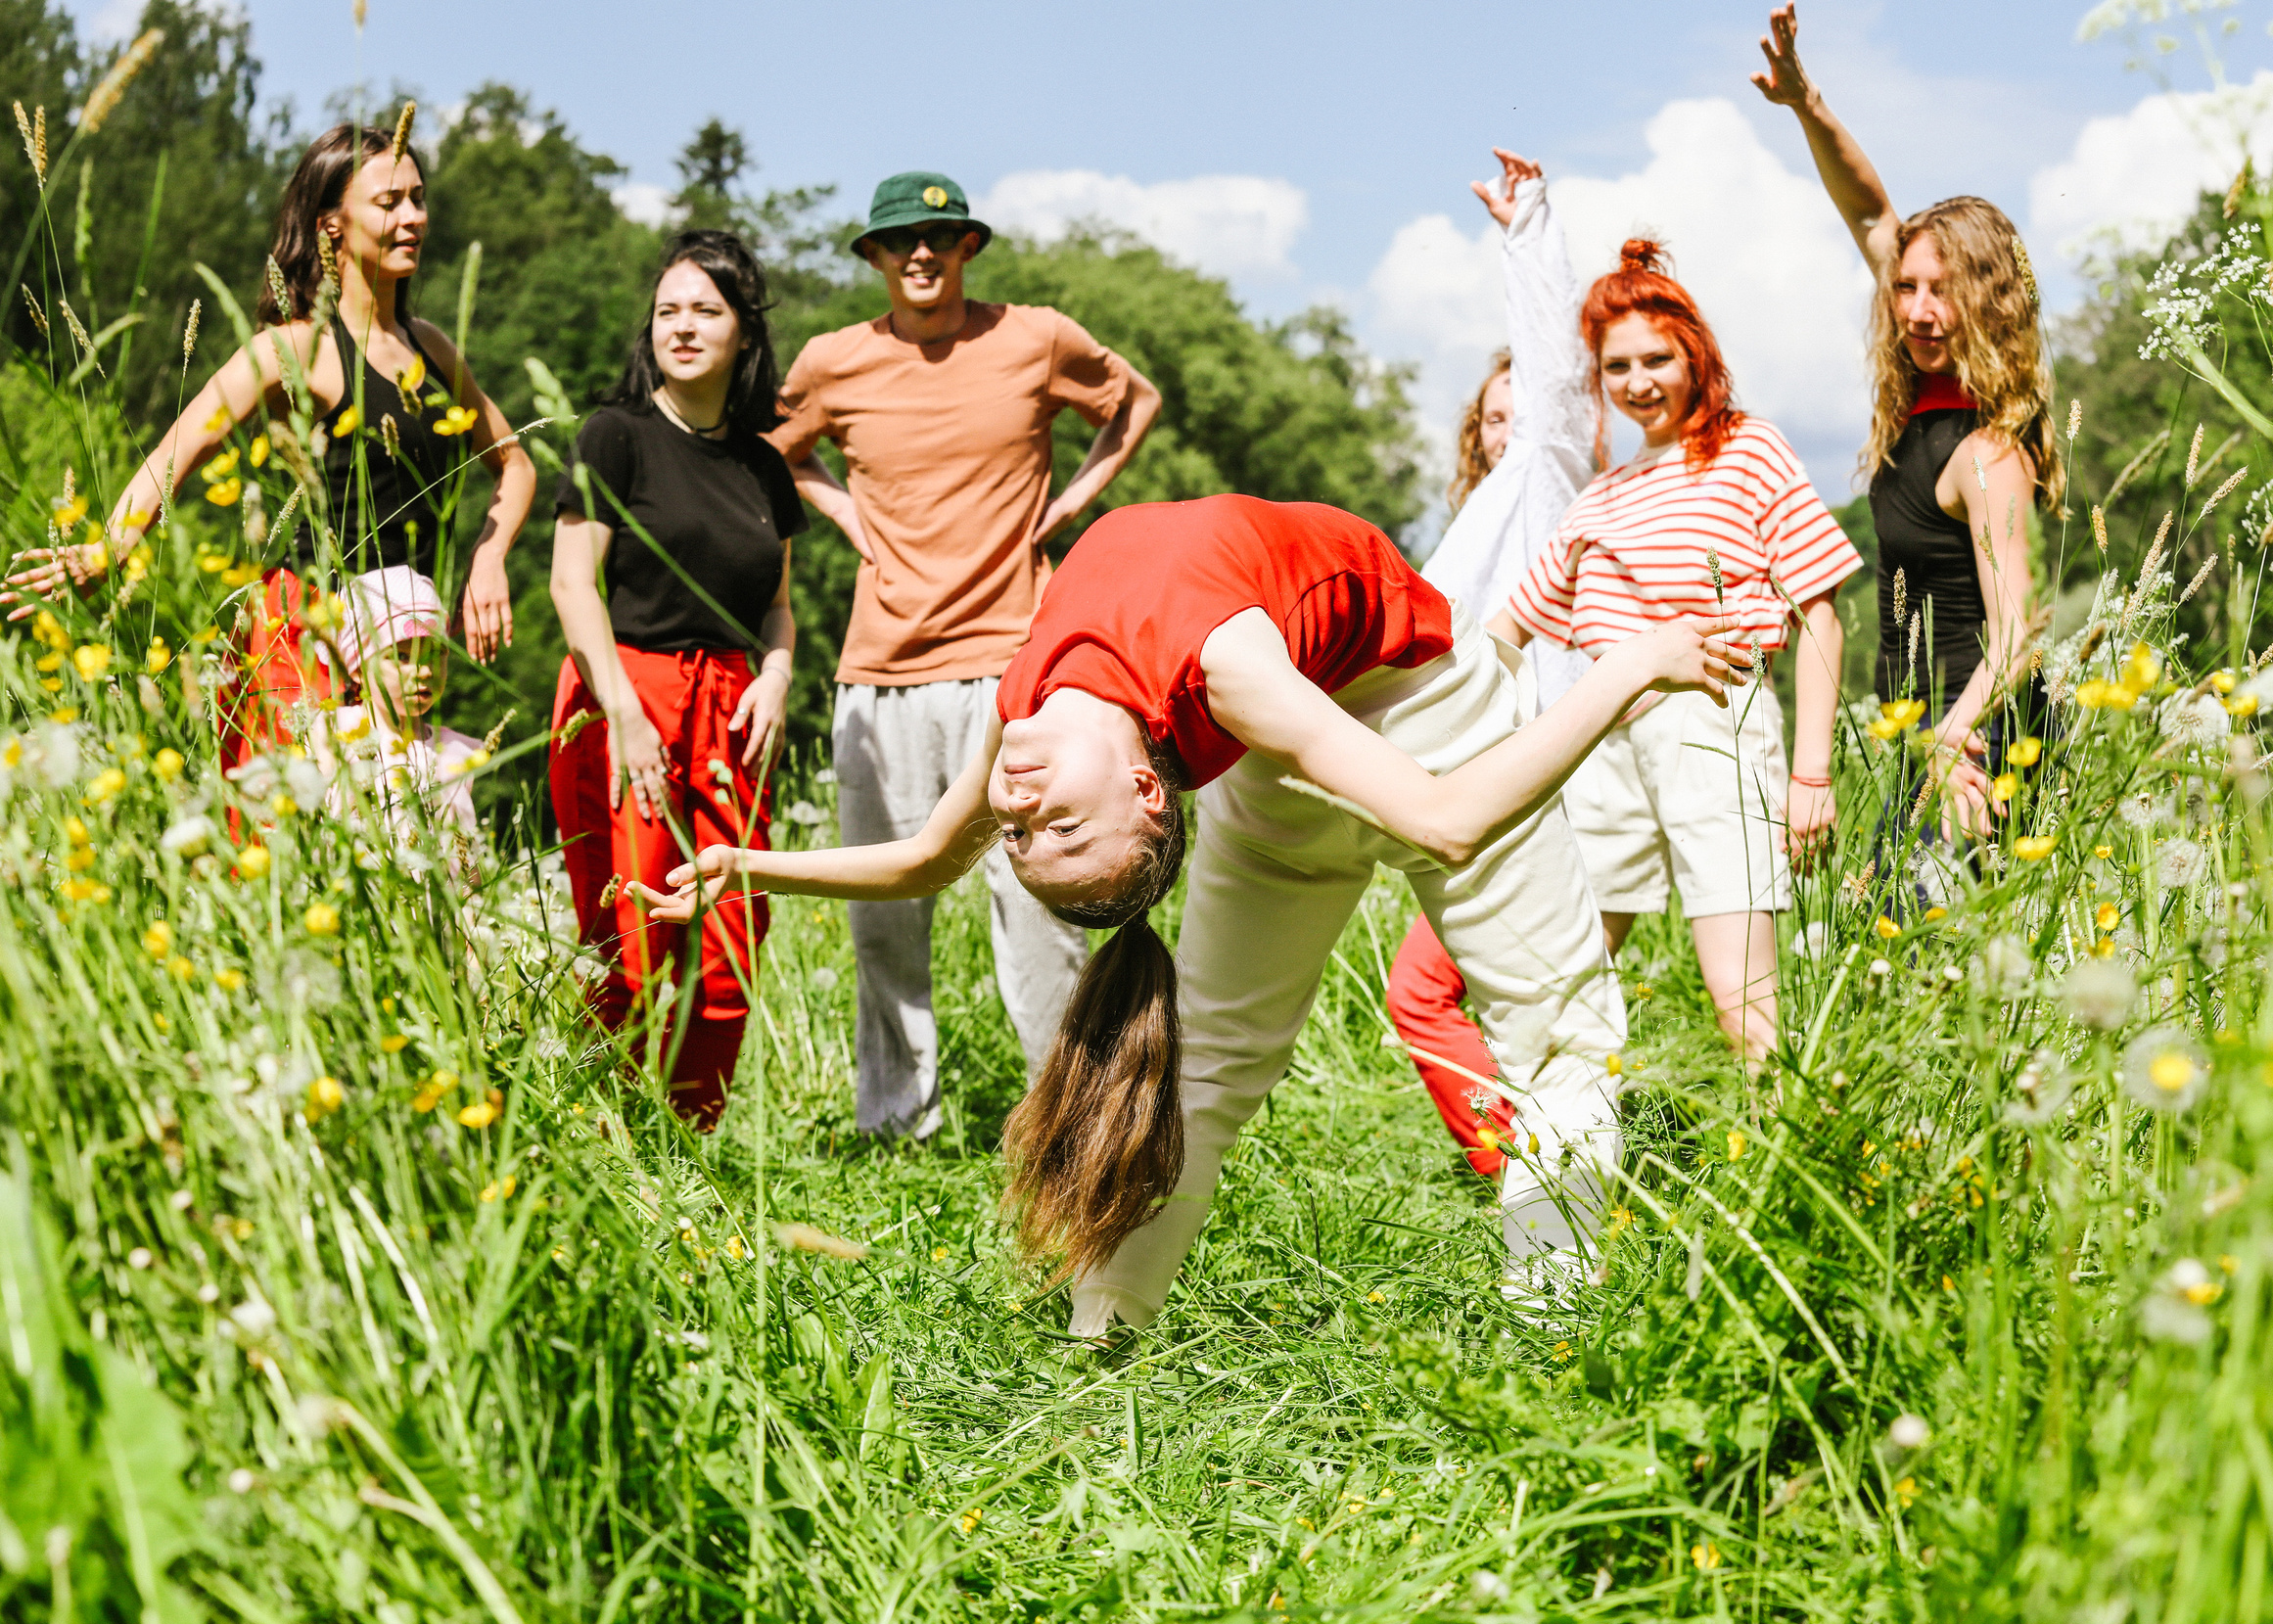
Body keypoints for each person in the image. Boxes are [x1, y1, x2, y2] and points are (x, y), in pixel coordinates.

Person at [634, 495, 1747, 1336]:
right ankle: (1104, 1347)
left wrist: (745, 862)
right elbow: (1447, 822)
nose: (1018, 817)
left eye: (1024, 838)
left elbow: (930, 857)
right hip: (1371, 737)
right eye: (1053, 833)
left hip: (1372, 718)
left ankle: (1536, 1330)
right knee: (1525, 1041)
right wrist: (1635, 668)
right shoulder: (1200, 682)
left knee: (1516, 1043)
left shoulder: (1030, 701)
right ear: (1146, 790)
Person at [768, 171, 1162, 1141]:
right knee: (884, 915)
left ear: (966, 247)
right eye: (900, 240)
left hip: (1012, 666)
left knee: (1038, 909)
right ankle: (897, 1122)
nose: (920, 254)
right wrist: (840, 509)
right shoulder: (833, 361)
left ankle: (1065, 1118)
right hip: (879, 671)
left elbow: (1135, 401)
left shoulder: (1033, 338)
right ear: (872, 256)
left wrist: (1070, 504)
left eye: (940, 236)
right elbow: (773, 447)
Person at [4, 120, 534, 770]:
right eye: (389, 202)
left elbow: (516, 461)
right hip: (302, 634)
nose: (412, 218)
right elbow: (178, 447)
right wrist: (111, 544)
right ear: (330, 224)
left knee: (395, 839)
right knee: (299, 834)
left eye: (418, 199)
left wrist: (489, 555)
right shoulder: (291, 349)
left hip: (400, 641)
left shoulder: (433, 349)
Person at [1491, 241, 1864, 1063]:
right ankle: (1555, 1163)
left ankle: (1784, 1166)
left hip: (1714, 729)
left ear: (1695, 353)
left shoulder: (1748, 451)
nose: (1638, 382)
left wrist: (1811, 776)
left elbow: (1822, 617)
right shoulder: (1603, 496)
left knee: (1741, 998)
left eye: (1657, 358)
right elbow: (1506, 633)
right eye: (1617, 366)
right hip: (1604, 740)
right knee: (1564, 977)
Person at [1752, 3, 2063, 844]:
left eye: (1943, 290)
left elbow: (2018, 634)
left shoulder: (1989, 450)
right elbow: (1867, 213)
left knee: (1939, 953)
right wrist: (1806, 106)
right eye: (1906, 287)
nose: (1919, 311)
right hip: (1923, 734)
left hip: (1981, 739)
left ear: (1989, 299)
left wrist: (1954, 741)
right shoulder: (1920, 407)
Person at [547, 230, 804, 1130]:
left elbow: (776, 605)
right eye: (668, 311)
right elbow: (571, 582)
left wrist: (776, 672)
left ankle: (689, 1141)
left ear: (743, 332)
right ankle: (604, 1136)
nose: (683, 327)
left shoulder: (763, 465)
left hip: (734, 709)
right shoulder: (613, 435)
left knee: (735, 930)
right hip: (632, 691)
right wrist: (620, 709)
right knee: (633, 934)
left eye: (707, 310)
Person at [1388, 149, 1602, 1174]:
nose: (1516, 427)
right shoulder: (1470, 526)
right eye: (1495, 416)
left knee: (1428, 994)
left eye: (1532, 414)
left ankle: (1524, 1161)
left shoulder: (1551, 479)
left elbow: (1558, 378)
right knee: (1539, 1005)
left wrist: (1527, 235)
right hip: (1484, 782)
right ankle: (1560, 1159)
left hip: (1541, 779)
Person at [313, 567, 487, 851]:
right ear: (356, 669)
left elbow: (465, 856)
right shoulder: (333, 732)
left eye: (436, 654)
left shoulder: (453, 751)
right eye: (402, 657)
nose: (423, 671)